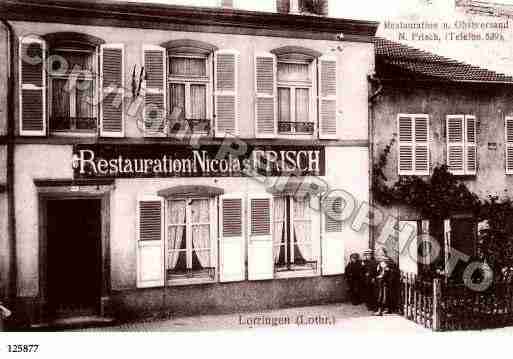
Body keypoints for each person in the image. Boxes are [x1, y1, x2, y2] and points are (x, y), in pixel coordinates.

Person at [374, 249, 394, 316]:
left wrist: (382, 274)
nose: (381, 254)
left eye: (382, 253)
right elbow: (379, 270)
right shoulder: (381, 261)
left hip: (385, 281)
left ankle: (380, 311)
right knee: (382, 295)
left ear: (385, 253)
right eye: (379, 253)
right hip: (382, 281)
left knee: (383, 296)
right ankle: (386, 309)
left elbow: (388, 271)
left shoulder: (388, 261)